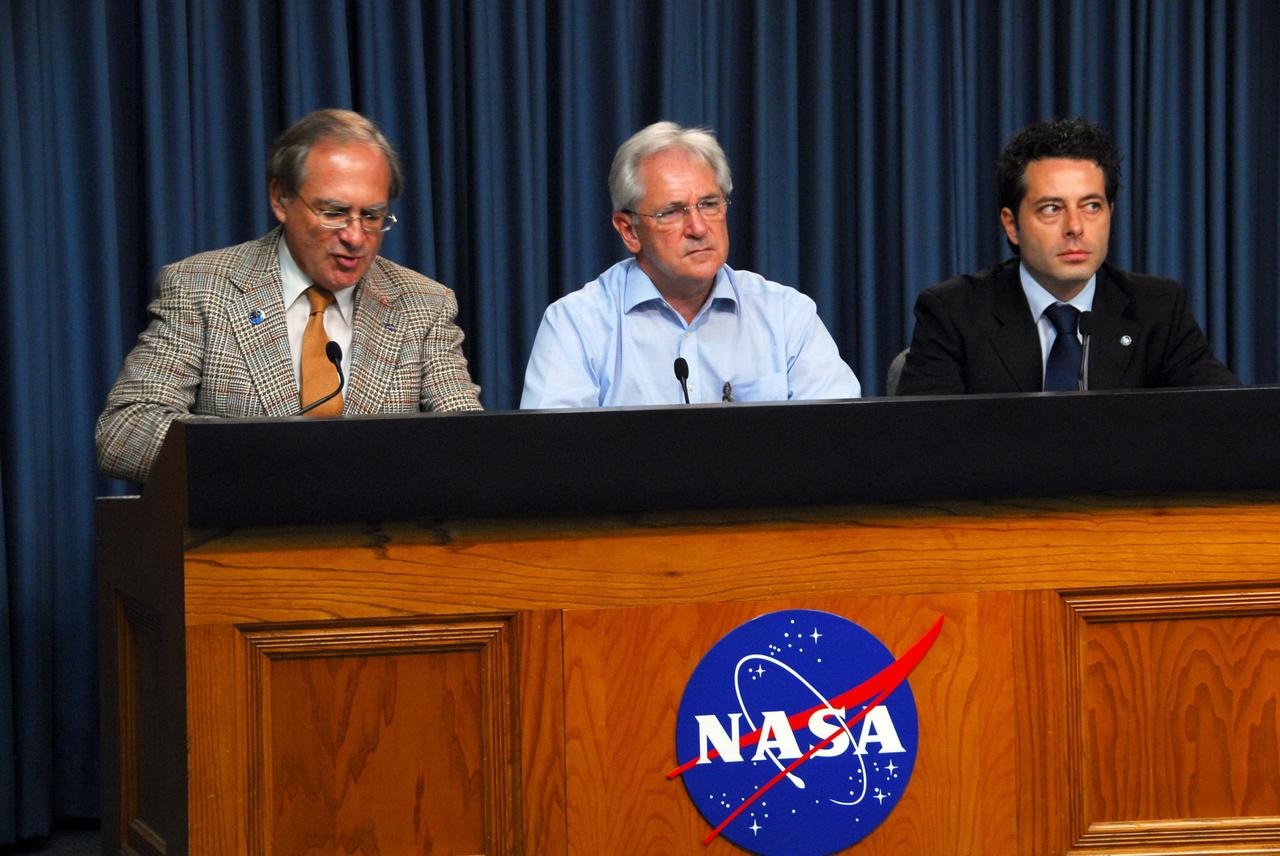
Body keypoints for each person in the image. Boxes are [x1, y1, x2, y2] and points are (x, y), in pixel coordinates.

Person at [96, 109, 481, 482]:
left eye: (372, 216)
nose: (355, 236)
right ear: (281, 199)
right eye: (333, 212)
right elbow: (126, 430)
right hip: (238, 541)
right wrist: (272, 460)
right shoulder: (201, 287)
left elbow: (469, 444)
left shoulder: (424, 304)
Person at [520, 121, 860, 408]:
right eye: (671, 212)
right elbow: (550, 465)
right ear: (629, 230)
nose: (698, 228)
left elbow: (838, 444)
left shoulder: (786, 317)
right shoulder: (576, 326)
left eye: (710, 204)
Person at [895, 117, 1236, 396]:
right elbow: (927, 448)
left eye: (1091, 207)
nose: (1075, 227)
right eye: (1052, 208)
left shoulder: (1157, 308)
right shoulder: (954, 313)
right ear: (1012, 225)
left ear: (1110, 215)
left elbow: (1226, 421)